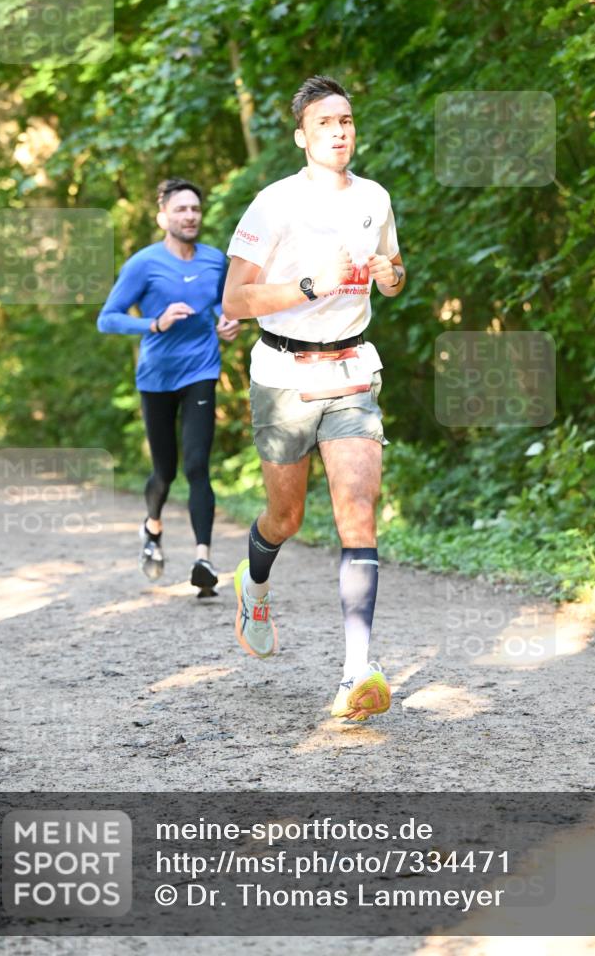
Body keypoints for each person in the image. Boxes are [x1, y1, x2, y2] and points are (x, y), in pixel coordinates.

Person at [222, 76, 405, 721]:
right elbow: (235, 299)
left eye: (346, 120)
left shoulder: (375, 197)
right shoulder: (273, 204)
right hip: (284, 375)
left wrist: (389, 275)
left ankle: (357, 670)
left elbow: (395, 272)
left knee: (358, 511)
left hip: (352, 368)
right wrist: (308, 285)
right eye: (324, 123)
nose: (339, 131)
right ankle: (254, 582)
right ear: (302, 137)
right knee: (287, 517)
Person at [98, 177, 240, 593]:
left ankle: (203, 560)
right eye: (181, 209)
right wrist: (154, 323)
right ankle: (153, 527)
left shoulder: (214, 260)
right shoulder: (143, 264)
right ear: (163, 217)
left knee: (197, 466)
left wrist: (226, 320)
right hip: (156, 377)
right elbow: (107, 318)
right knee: (165, 471)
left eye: (195, 209)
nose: (190, 216)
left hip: (201, 371)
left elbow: (223, 302)